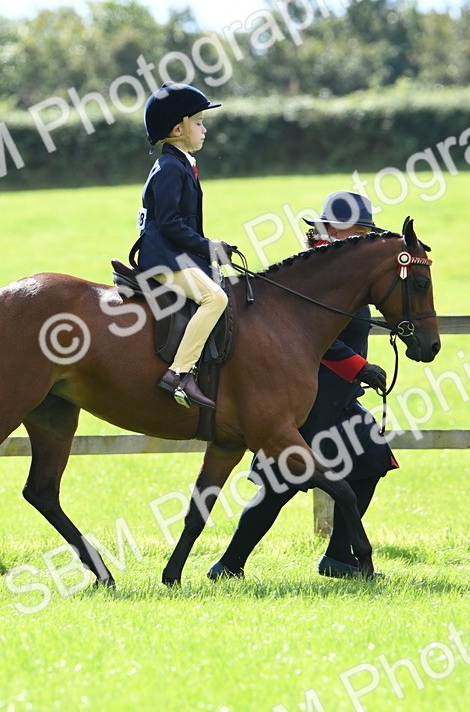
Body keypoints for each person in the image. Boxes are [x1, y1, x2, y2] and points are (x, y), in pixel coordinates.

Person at [208, 191, 397, 579]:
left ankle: (337, 557)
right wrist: (359, 366)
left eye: (366, 232)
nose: (364, 237)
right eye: (359, 230)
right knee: (281, 484)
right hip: (308, 398)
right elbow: (308, 337)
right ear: (338, 228)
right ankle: (230, 565)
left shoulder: (346, 267)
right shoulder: (318, 269)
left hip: (337, 398)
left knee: (369, 464)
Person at [135, 82, 233, 410]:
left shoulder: (182, 164)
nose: (205, 129)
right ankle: (179, 373)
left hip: (176, 255)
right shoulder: (169, 169)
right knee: (214, 298)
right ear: (179, 128)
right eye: (200, 122)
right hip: (163, 260)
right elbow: (170, 225)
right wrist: (210, 247)